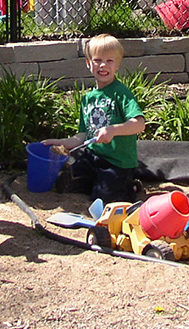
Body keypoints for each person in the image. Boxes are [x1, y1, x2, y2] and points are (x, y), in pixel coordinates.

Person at [42, 33, 146, 203]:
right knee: (65, 183)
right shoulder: (88, 99)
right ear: (89, 64)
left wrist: (112, 130)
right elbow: (83, 135)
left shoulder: (121, 93)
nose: (103, 65)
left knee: (103, 198)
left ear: (117, 65)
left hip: (117, 163)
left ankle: (129, 186)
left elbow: (139, 124)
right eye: (97, 60)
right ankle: (101, 183)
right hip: (92, 159)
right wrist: (61, 142)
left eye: (110, 61)